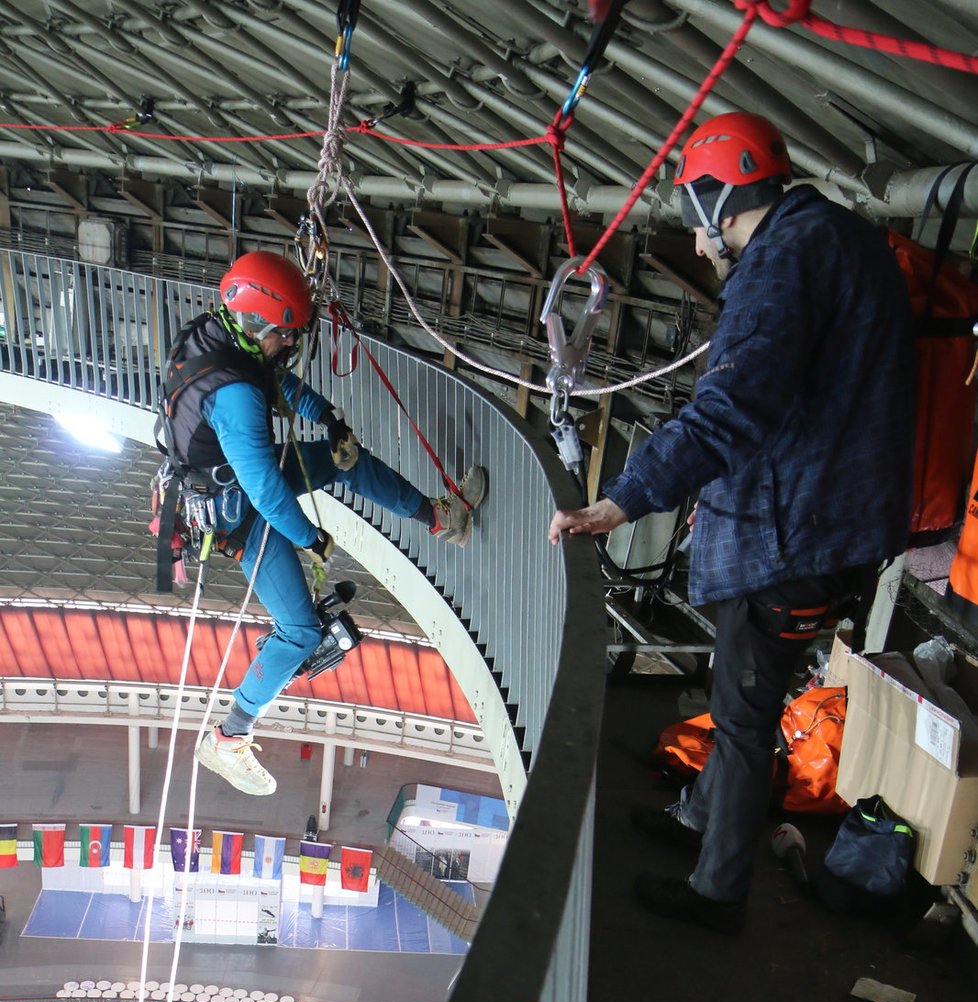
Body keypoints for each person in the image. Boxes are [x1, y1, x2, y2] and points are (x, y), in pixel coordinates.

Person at [549, 111, 914, 934]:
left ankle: (718, 896)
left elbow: (730, 408)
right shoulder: (838, 236)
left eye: (695, 213)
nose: (699, 236)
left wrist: (621, 500)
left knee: (747, 719)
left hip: (797, 534)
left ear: (718, 198)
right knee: (739, 691)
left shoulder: (780, 264)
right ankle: (696, 821)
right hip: (834, 518)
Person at [159, 250, 487, 796]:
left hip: (233, 486)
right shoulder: (235, 398)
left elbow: (273, 381)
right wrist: (312, 540)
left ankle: (440, 518)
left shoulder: (219, 337)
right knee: (302, 631)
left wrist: (326, 417)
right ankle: (229, 737)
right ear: (259, 323)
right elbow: (265, 489)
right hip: (241, 515)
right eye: (286, 334)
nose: (292, 343)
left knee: (345, 461)